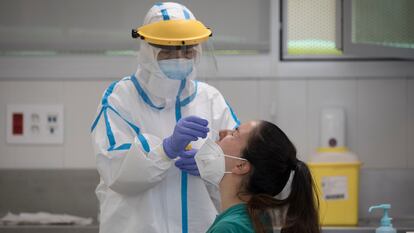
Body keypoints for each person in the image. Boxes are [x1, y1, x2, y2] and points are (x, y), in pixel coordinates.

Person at [90, 2, 239, 233]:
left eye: (187, 50)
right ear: (148, 50)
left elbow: (240, 162)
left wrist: (213, 165)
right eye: (168, 51)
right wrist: (165, 150)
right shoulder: (120, 99)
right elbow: (115, 169)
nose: (179, 57)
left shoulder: (211, 100)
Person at [195, 121, 320, 233]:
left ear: (241, 165)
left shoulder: (229, 228)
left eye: (234, 134)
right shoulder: (258, 217)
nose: (222, 133)